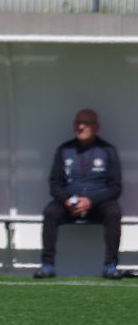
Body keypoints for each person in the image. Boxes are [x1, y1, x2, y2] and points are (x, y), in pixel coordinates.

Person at [36, 109, 124, 280]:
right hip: (69, 203)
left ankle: (110, 265)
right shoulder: (64, 149)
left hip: (97, 204)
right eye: (77, 123)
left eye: (86, 123)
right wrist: (67, 200)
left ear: (96, 127)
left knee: (114, 212)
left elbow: (116, 188)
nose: (81, 127)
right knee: (50, 212)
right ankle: (47, 265)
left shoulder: (108, 150)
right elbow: (54, 184)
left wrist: (91, 201)